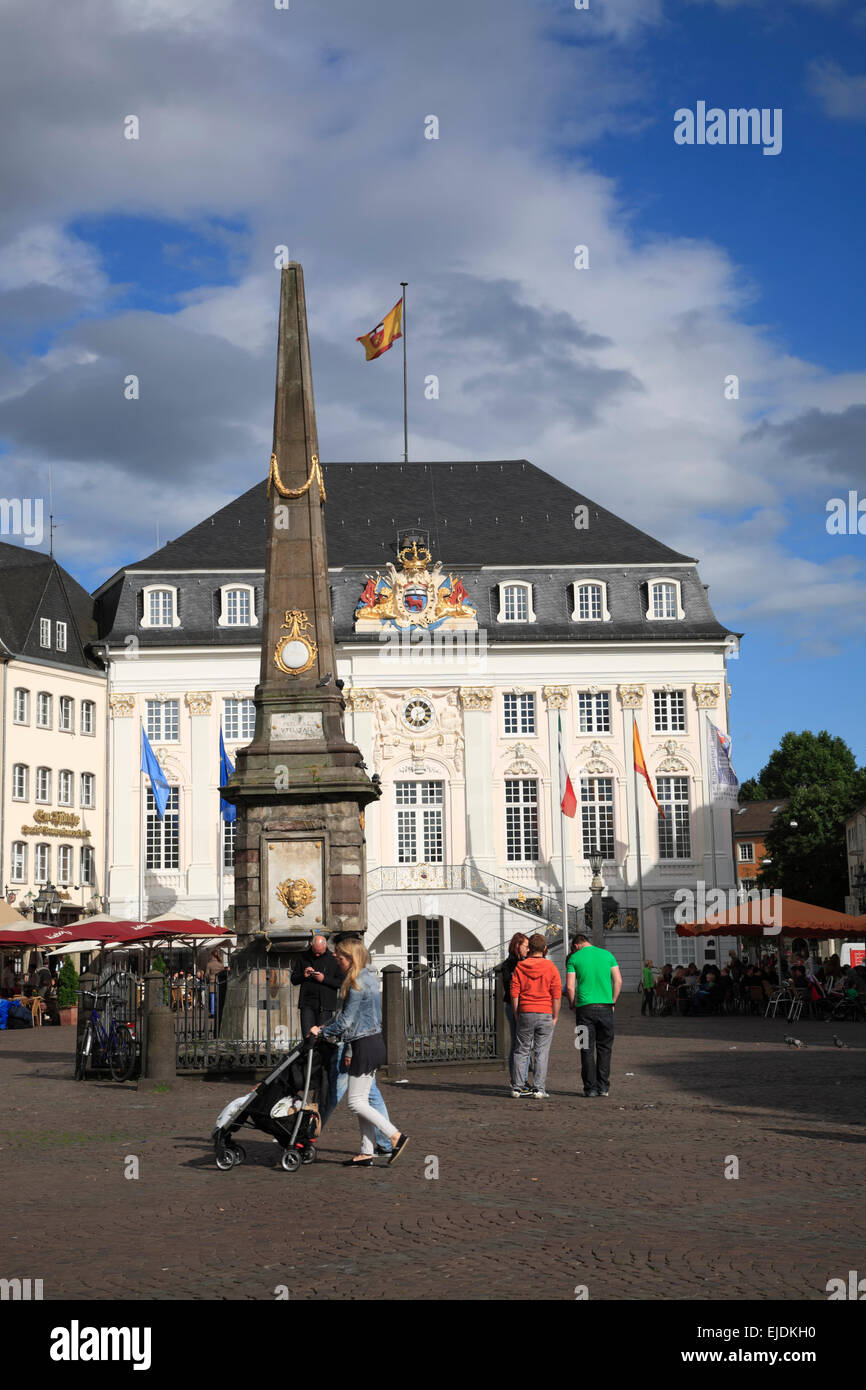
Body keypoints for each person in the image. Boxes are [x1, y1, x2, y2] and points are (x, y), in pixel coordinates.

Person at [310, 938, 409, 1167]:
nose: (338, 961)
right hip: (373, 1042)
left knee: (355, 1102)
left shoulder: (355, 983)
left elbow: (345, 1021)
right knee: (362, 1099)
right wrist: (325, 1027)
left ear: (351, 958)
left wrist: (321, 1033)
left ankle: (395, 1137)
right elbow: (348, 1017)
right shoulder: (369, 978)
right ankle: (366, 1151)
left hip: (363, 1046)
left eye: (341, 958)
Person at [566, 933, 621, 1097]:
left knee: (585, 1048)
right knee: (605, 1048)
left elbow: (569, 987)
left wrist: (572, 1004)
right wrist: (613, 1001)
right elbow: (618, 981)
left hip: (584, 1010)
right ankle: (603, 1087)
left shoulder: (574, 959)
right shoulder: (608, 955)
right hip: (605, 1008)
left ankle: (590, 1088)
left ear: (576, 946)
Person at [509, 933, 561, 1099]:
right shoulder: (551, 967)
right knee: (541, 1051)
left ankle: (517, 1087)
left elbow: (514, 993)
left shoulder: (520, 967)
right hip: (545, 1011)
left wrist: (517, 1012)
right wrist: (555, 1015)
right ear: (545, 949)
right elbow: (556, 994)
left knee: (521, 1050)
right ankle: (539, 1088)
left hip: (525, 1011)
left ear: (529, 948)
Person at [290, 934, 343, 1037]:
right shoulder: (304, 957)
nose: (317, 955)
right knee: (308, 1035)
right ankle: (308, 1052)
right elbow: (294, 980)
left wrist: (324, 979)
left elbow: (341, 983)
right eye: (315, 952)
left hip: (325, 1005)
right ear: (312, 946)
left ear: (326, 946)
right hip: (307, 1004)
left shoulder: (333, 959)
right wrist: (303, 975)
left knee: (321, 1037)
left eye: (320, 952)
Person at [501, 932, 530, 1094]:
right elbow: (511, 988)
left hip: (520, 1005)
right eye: (526, 946)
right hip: (514, 1006)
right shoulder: (510, 964)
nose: (528, 949)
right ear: (517, 946)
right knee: (519, 1044)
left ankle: (520, 1078)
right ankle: (519, 1079)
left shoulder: (523, 962)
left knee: (521, 1044)